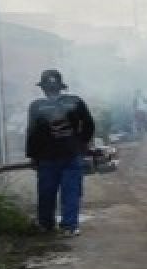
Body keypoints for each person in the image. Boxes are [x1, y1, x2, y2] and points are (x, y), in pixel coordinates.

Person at [25, 69, 95, 236]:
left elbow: (32, 133)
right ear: (61, 87)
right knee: (71, 191)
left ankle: (46, 224)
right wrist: (80, 144)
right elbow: (89, 125)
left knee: (46, 192)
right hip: (71, 154)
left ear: (43, 88)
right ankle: (69, 227)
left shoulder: (36, 106)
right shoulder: (75, 101)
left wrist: (33, 156)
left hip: (47, 157)